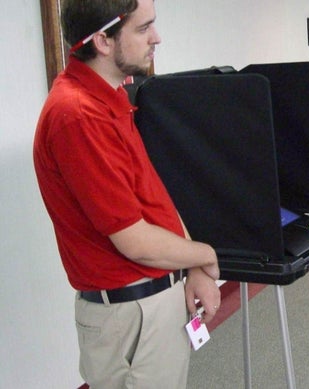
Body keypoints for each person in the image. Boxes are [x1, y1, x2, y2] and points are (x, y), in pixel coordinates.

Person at [33, 1, 221, 387]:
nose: (157, 38)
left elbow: (152, 199)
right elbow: (133, 239)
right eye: (143, 29)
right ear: (103, 40)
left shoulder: (110, 97)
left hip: (151, 302)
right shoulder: (78, 115)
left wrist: (193, 267)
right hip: (130, 316)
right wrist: (207, 254)